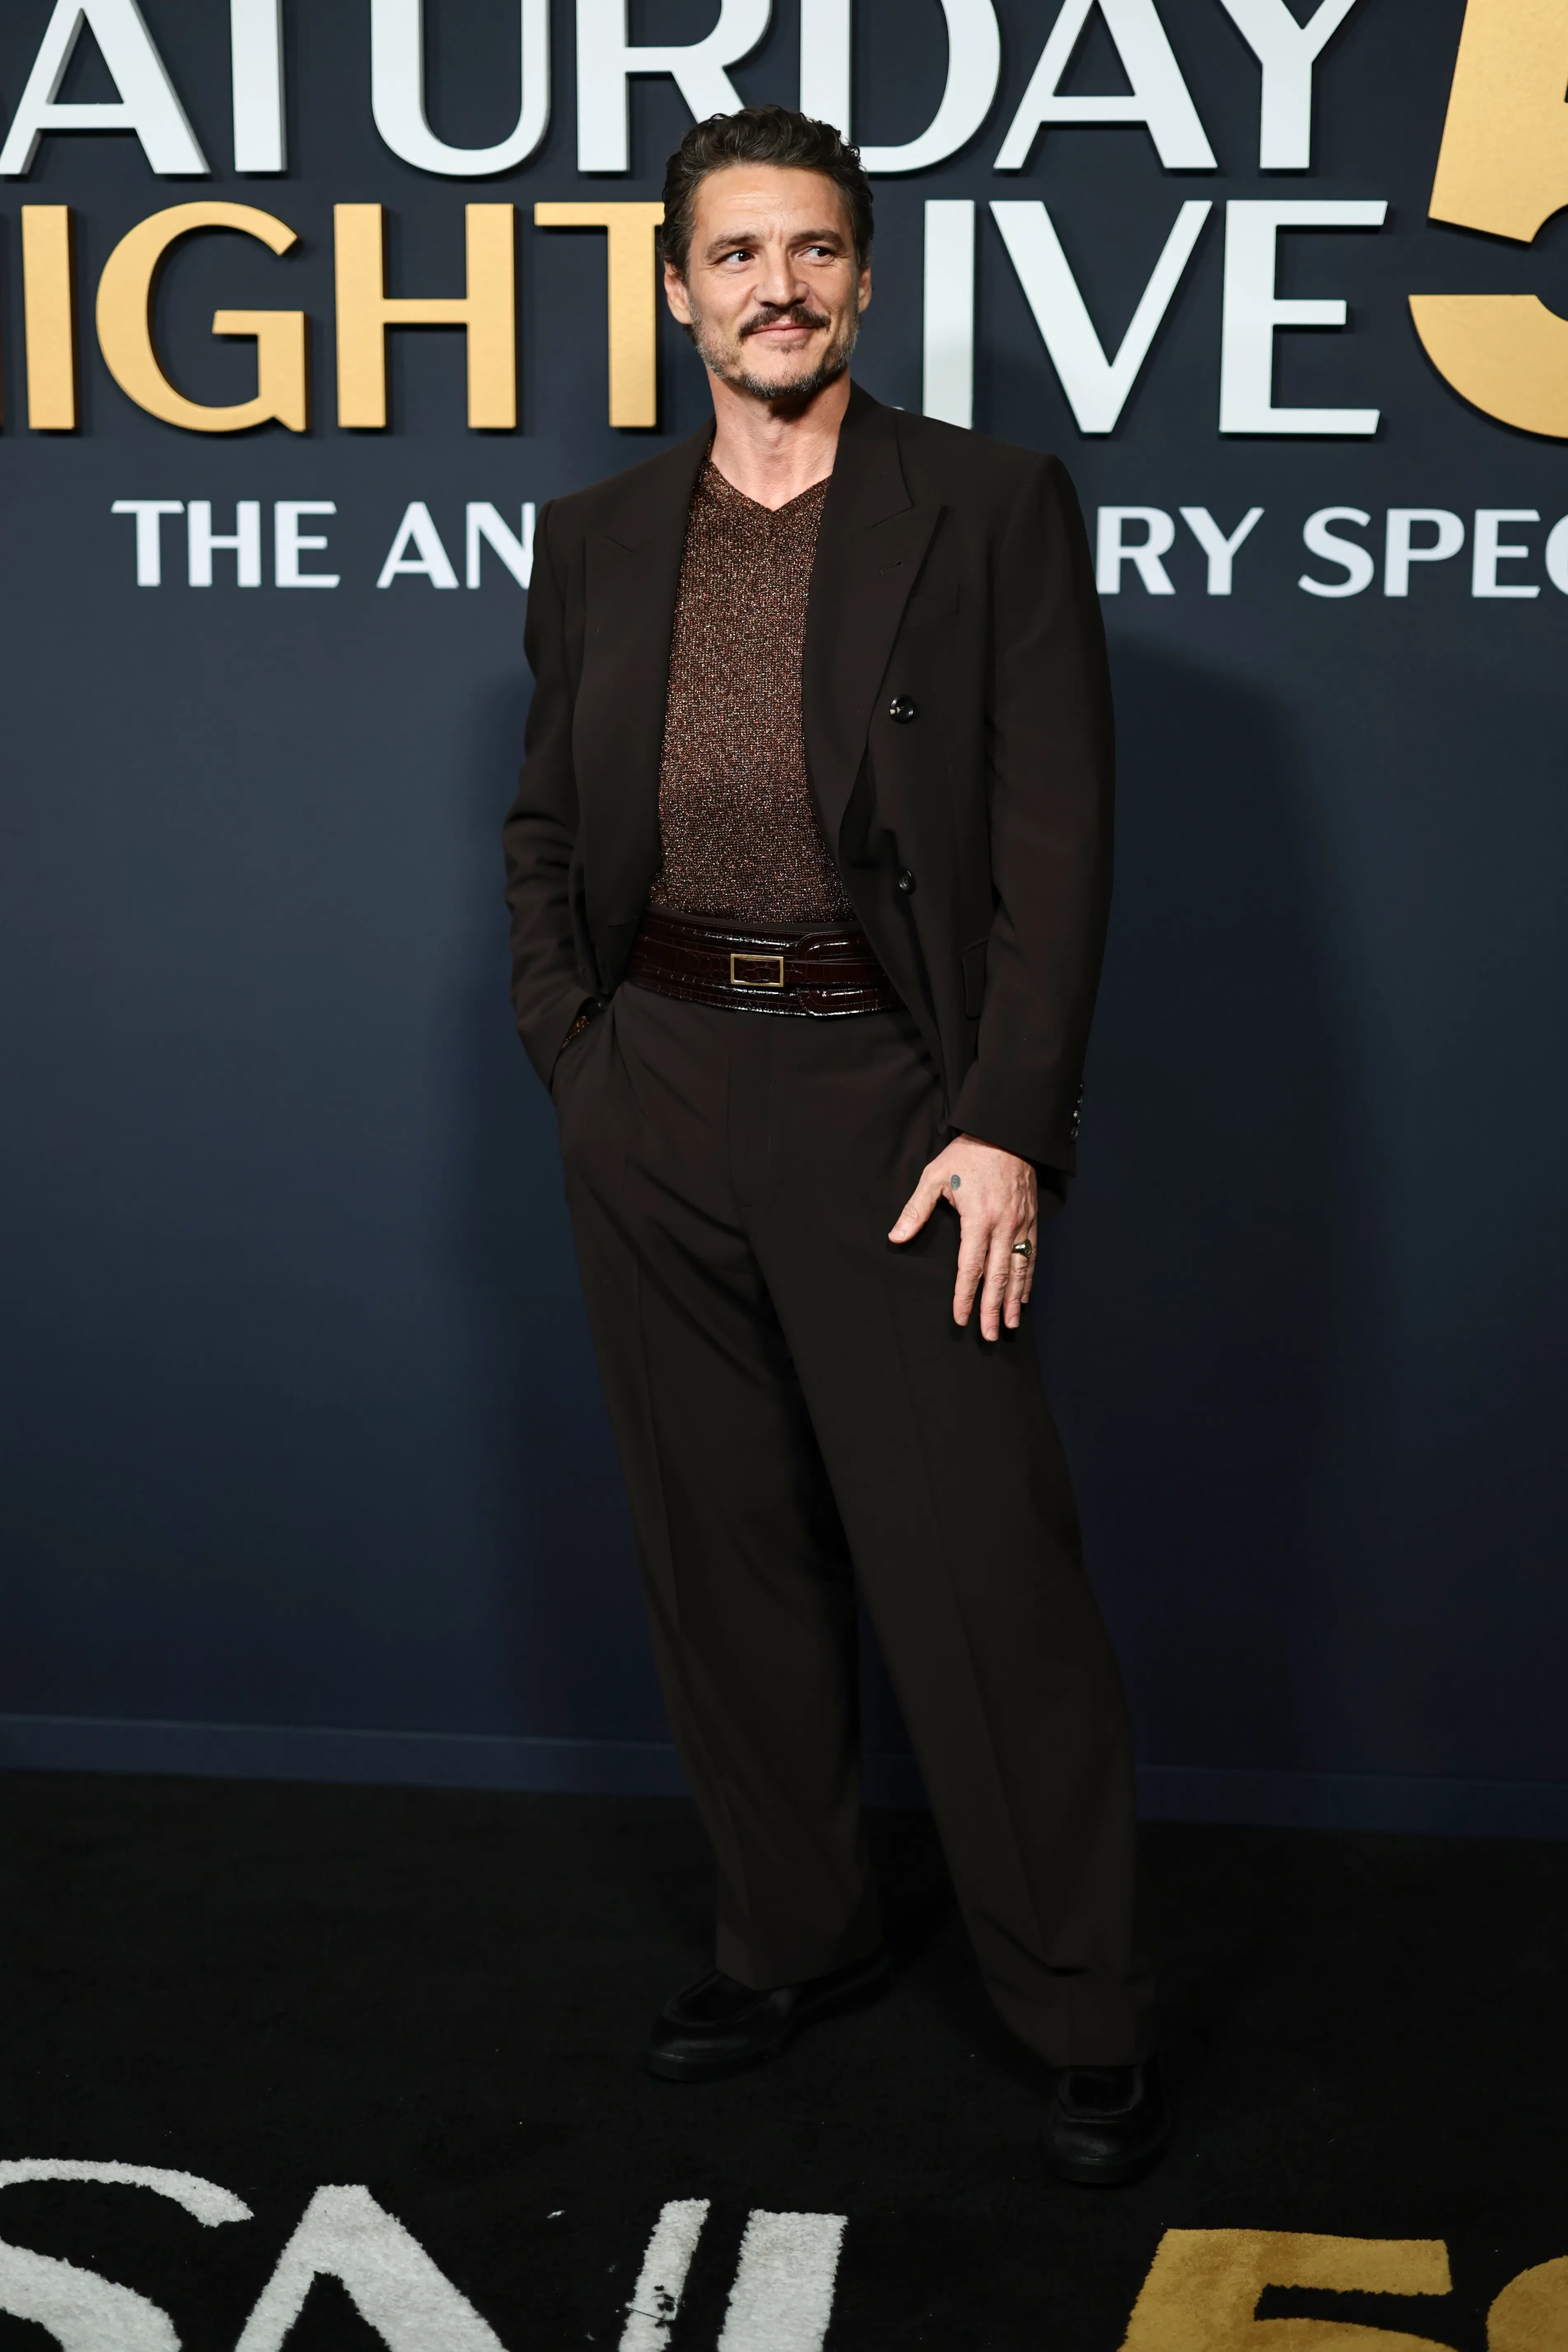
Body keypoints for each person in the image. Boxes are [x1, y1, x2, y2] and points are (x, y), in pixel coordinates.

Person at [502, 103, 1163, 2186]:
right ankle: (794, 1936)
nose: (774, 287)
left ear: (864, 280)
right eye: (735, 254)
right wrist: (580, 1059)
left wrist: (1007, 1126)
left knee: (980, 1571)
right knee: (725, 1557)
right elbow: (543, 824)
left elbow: (1055, 848)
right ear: (676, 290)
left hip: (894, 1100)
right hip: (658, 1083)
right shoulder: (596, 535)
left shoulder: (990, 506)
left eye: (811, 251)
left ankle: (1081, 2005)